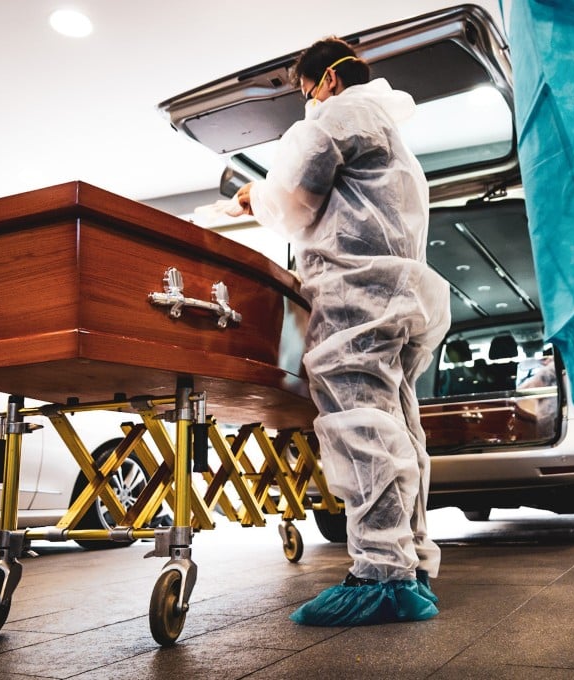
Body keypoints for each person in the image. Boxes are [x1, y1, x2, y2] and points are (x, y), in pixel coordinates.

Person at [232, 37, 450, 626]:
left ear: (326, 80)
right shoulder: (391, 133)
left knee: (361, 428)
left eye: (304, 92)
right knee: (398, 429)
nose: (305, 104)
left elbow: (296, 199)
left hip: (356, 298)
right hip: (400, 298)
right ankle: (412, 565)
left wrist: (255, 197)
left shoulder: (336, 115)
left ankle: (382, 576)